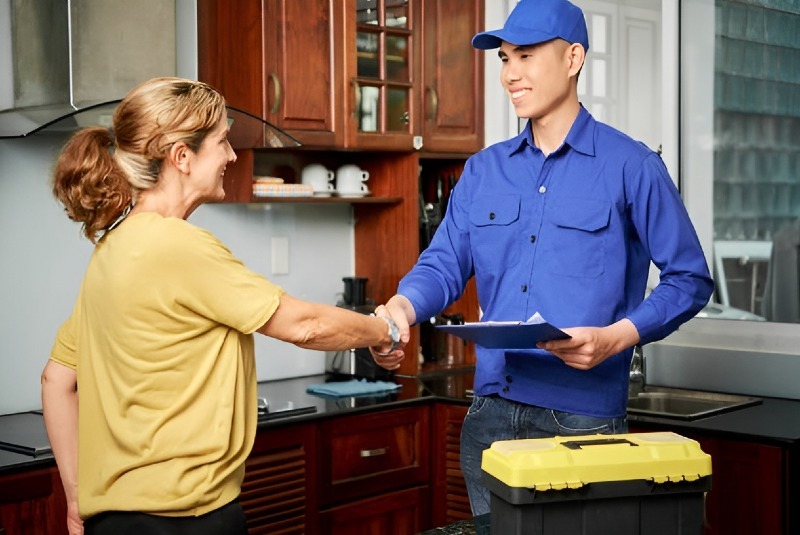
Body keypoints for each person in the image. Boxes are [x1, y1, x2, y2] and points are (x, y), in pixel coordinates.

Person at [373, 0, 714, 515]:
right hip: (490, 416)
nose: (511, 74)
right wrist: (400, 309)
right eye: (505, 60)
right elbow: (442, 263)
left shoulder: (633, 167)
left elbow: (689, 279)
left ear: (573, 58)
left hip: (585, 422)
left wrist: (616, 337)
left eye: (526, 56)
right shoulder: (484, 170)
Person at [40, 77, 407, 535]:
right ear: (181, 157)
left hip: (115, 522)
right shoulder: (176, 244)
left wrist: (76, 499)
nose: (232, 156)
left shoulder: (113, 247)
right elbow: (304, 325)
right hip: (184, 521)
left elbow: (57, 379)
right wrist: (384, 331)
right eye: (222, 141)